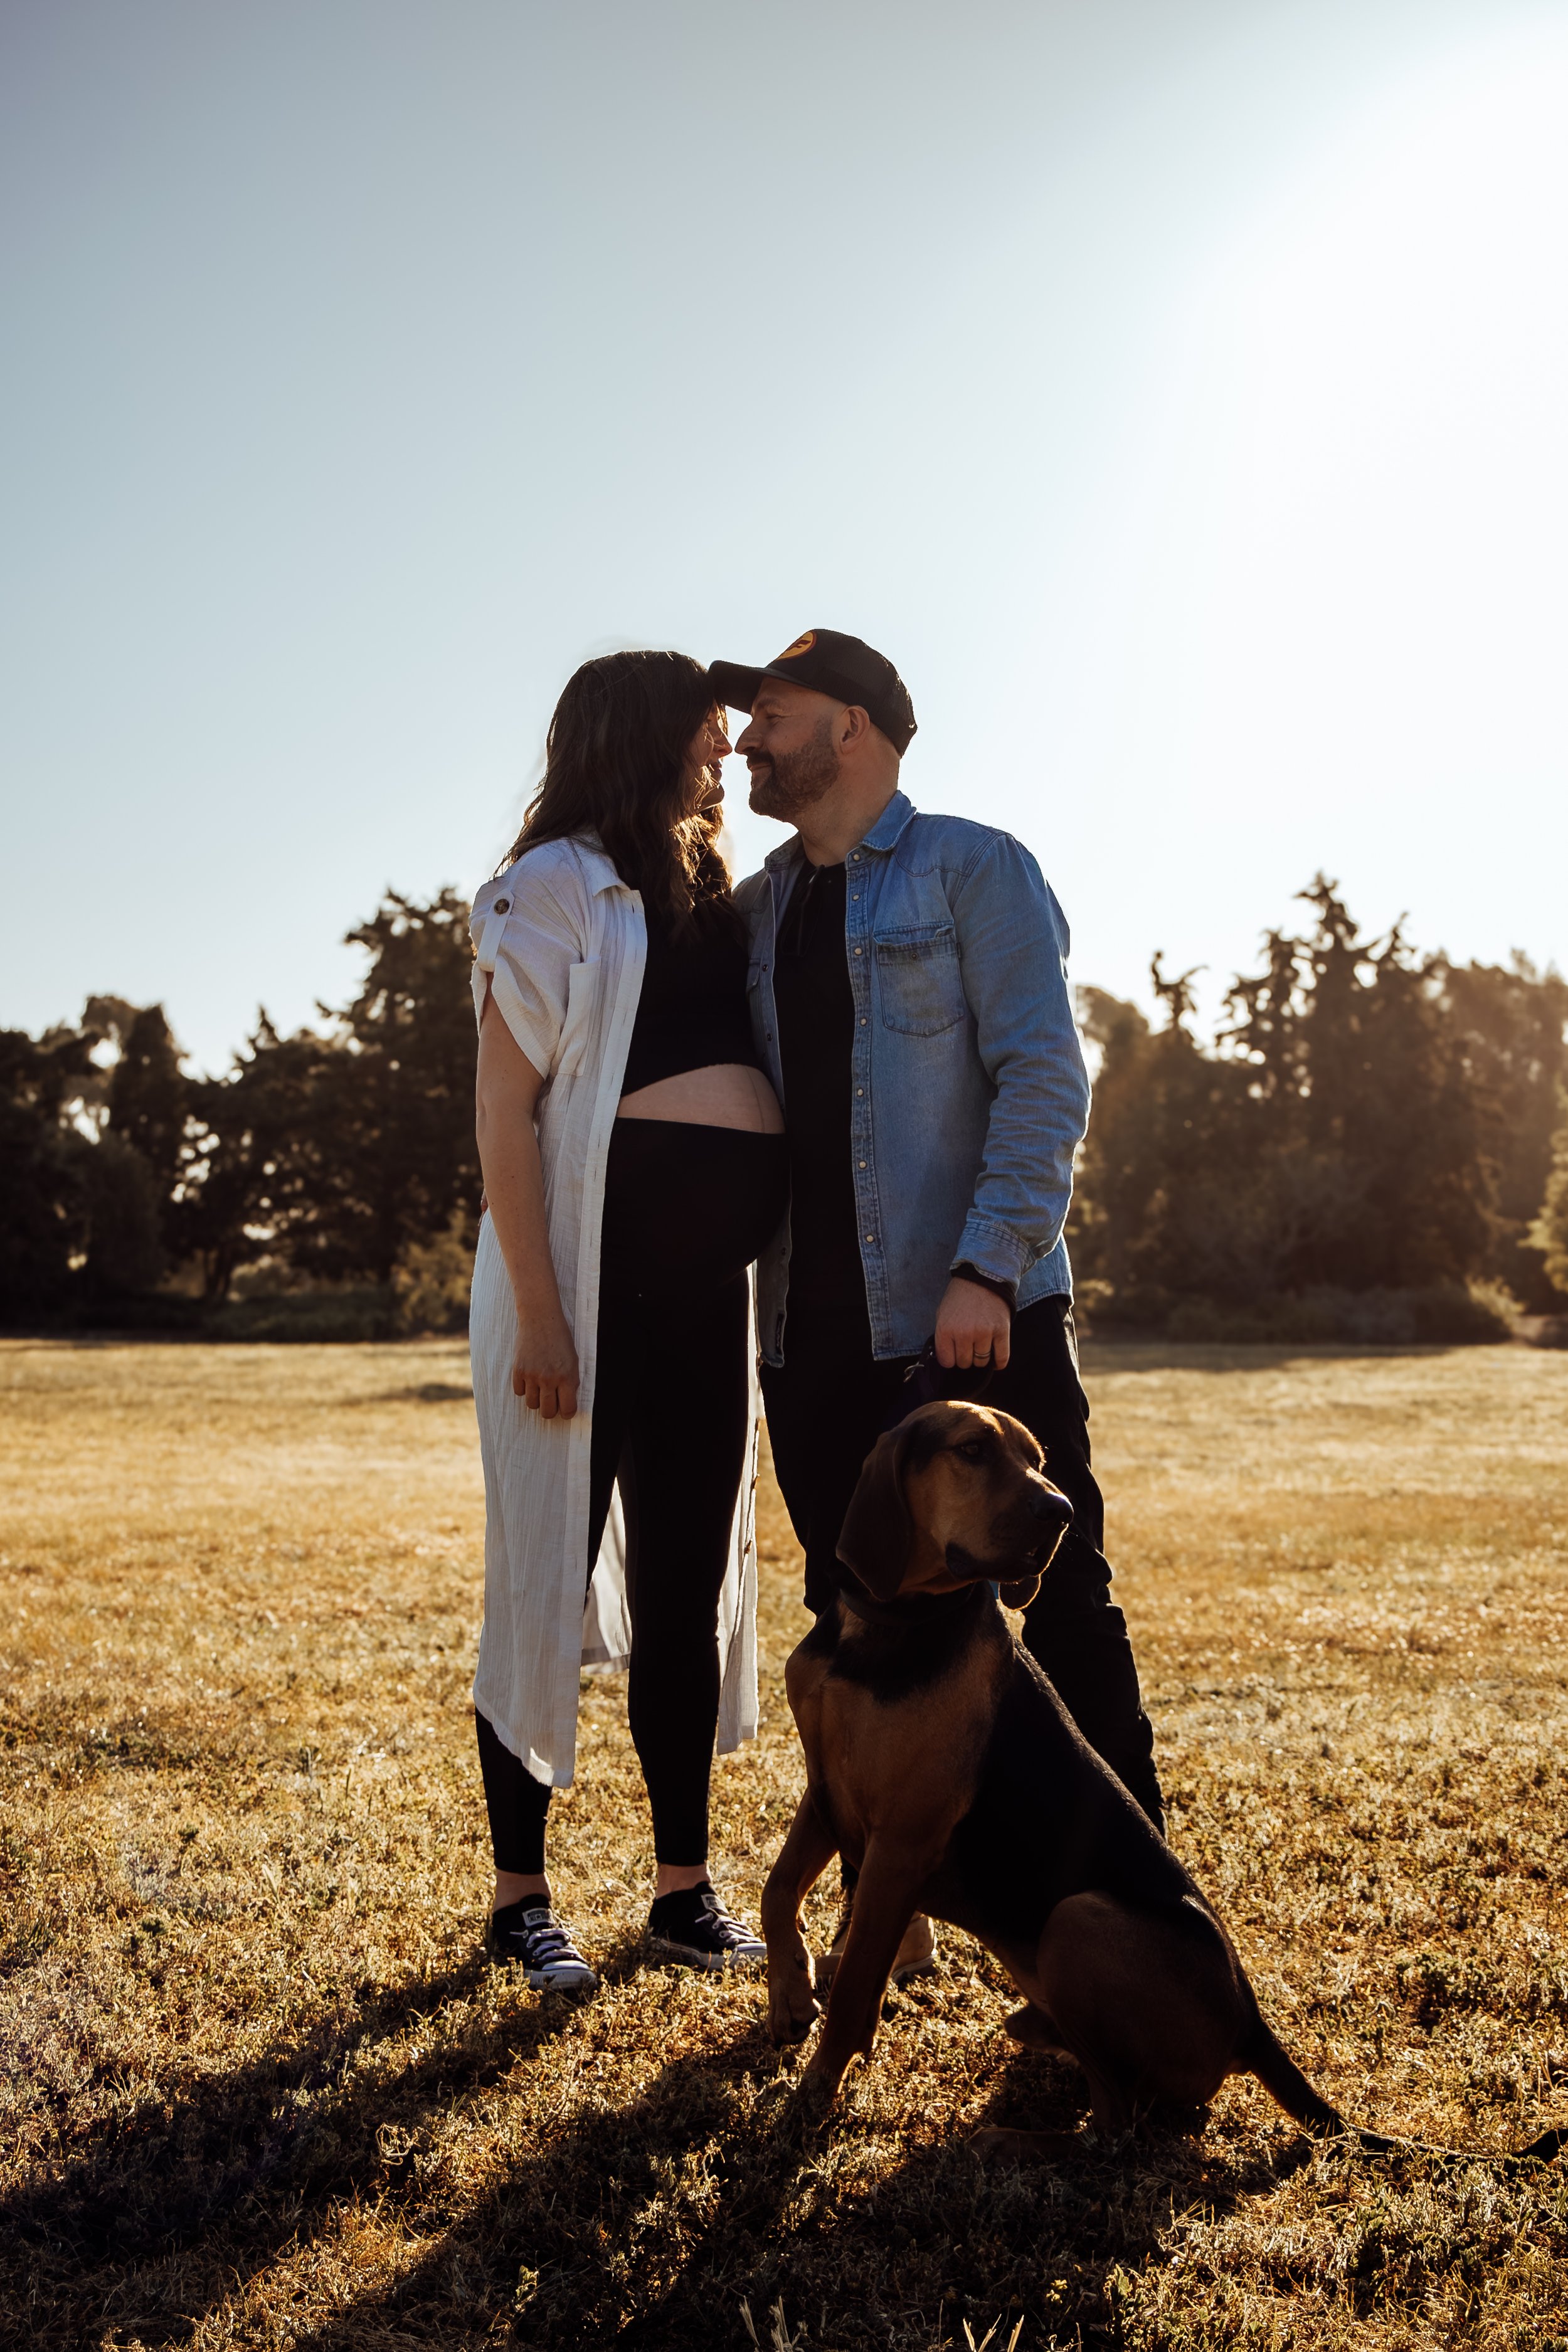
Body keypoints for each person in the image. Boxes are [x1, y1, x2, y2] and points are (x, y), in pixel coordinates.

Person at [709, 627, 1165, 1976]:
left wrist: (984, 1266)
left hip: (977, 1315)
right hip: (805, 1337)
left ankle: (1138, 1918)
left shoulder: (975, 868)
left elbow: (1043, 1079)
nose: (746, 741)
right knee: (850, 1621)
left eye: (770, 715)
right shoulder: (751, 915)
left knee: (1063, 1607)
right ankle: (884, 1926)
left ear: (849, 724)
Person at [468, 650, 788, 1989]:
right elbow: (503, 1109)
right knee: (541, 1577)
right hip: (578, 1301)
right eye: (706, 740)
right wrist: (542, 1316)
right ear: (639, 739)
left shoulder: (720, 889)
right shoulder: (550, 889)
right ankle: (518, 1899)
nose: (720, 760)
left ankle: (679, 1891)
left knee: (683, 1588)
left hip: (708, 1302)